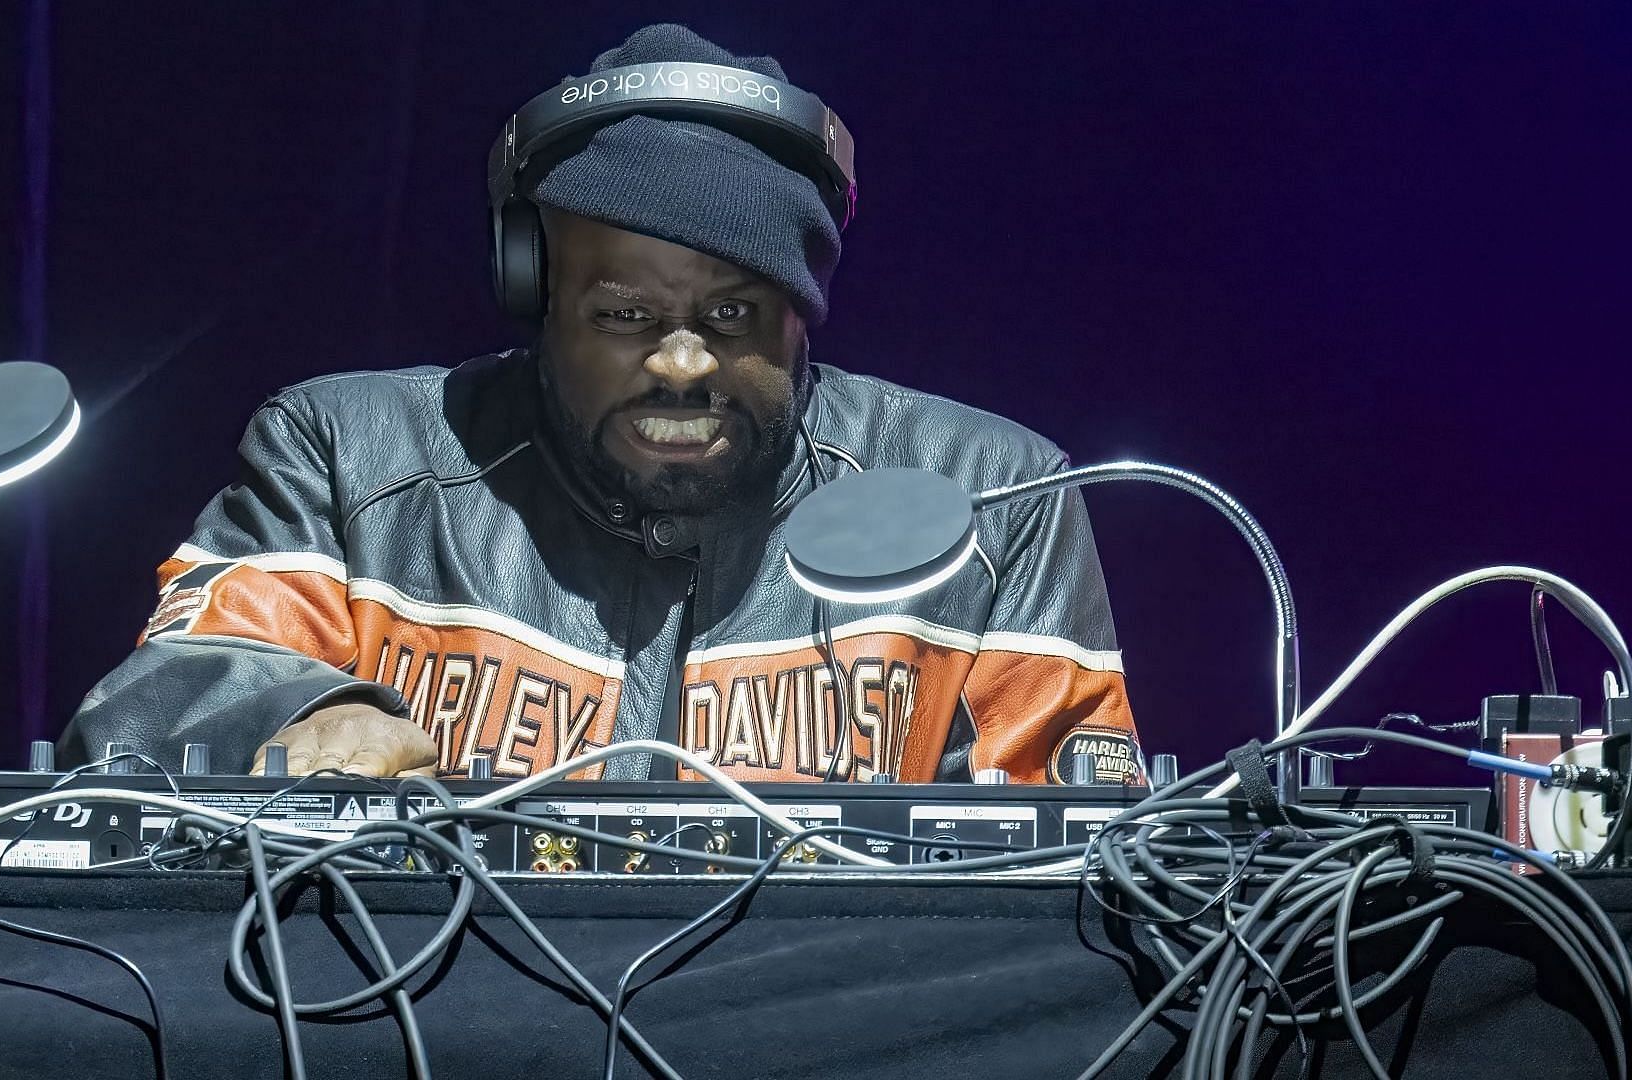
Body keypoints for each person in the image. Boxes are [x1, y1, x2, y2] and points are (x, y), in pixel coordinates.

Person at [58, 24, 1137, 784]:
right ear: (536, 294)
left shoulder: (989, 497)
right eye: (624, 316)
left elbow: (1076, 869)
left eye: (731, 318)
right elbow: (170, 688)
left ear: (806, 315)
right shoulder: (349, 453)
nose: (678, 364)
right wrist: (310, 711)